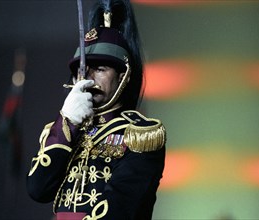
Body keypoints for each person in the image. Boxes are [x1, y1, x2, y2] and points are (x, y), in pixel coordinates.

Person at [26, 1, 166, 219]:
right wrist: (67, 122)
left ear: (123, 76)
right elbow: (38, 189)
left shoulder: (140, 135)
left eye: (100, 69)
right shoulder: (63, 132)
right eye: (81, 71)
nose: (88, 79)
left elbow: (120, 210)